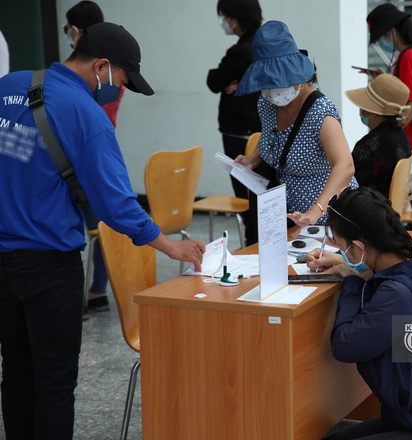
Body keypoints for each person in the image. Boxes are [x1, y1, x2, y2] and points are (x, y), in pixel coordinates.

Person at [0, 23, 205, 439]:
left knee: (16, 373)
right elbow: (116, 204)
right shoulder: (87, 115)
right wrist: (168, 246)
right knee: (55, 384)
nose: (120, 91)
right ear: (102, 67)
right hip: (48, 268)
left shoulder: (7, 86)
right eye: (123, 82)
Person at [307, 187, 412, 440]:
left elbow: (345, 346)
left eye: (341, 246)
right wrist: (352, 267)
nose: (341, 252)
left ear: (358, 246)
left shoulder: (397, 294)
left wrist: (353, 282)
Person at [234, 21, 357, 234]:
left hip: (328, 218)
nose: (271, 90)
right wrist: (252, 160)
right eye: (266, 84)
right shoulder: (267, 103)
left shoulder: (320, 112)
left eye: (277, 82)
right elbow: (273, 141)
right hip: (287, 215)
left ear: (298, 77)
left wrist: (316, 210)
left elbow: (345, 166)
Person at [64, 0, 125, 315]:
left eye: (68, 30)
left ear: (77, 31)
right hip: (98, 159)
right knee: (101, 228)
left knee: (85, 231)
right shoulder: (114, 73)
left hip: (78, 163)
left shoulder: (90, 78)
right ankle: (97, 292)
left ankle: (82, 296)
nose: (67, 35)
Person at [206, 0, 262, 245]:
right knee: (259, 195)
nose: (224, 22)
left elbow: (214, 81)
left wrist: (230, 81)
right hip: (258, 129)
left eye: (225, 16)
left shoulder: (240, 51)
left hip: (239, 132)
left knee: (246, 198)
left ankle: (251, 245)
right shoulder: (261, 43)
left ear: (236, 17)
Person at [366, 4, 412, 160]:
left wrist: (394, 132)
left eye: (381, 37)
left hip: (410, 143)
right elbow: (405, 92)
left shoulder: (410, 57)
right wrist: (384, 80)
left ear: (391, 31)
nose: (381, 42)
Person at [345, 73, 412, 197]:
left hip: (370, 208)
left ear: (372, 110)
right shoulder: (400, 134)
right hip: (389, 207)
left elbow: (346, 178)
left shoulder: (373, 143)